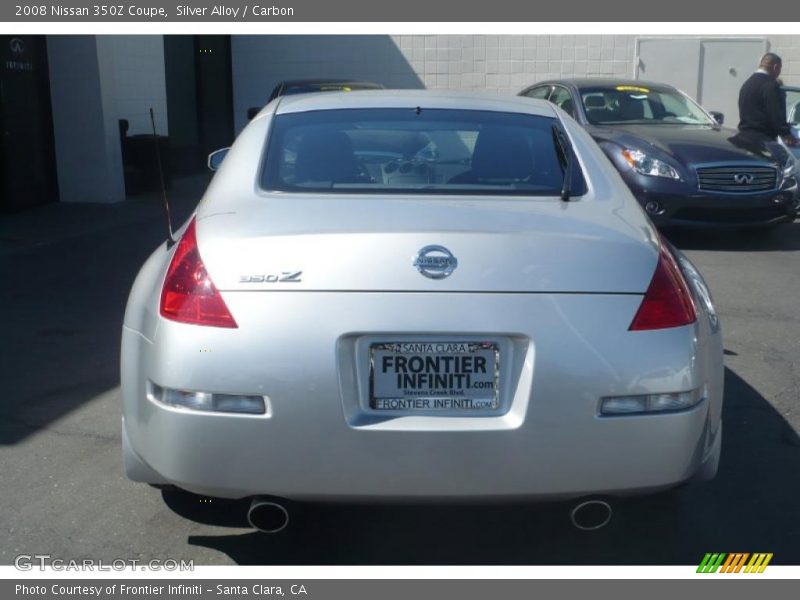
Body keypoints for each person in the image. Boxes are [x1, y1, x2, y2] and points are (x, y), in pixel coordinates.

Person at [738, 53, 798, 147]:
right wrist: (786, 134)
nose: (779, 72)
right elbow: (775, 113)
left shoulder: (747, 83)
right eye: (780, 69)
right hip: (762, 140)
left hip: (744, 136)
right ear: (775, 67)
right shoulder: (770, 85)